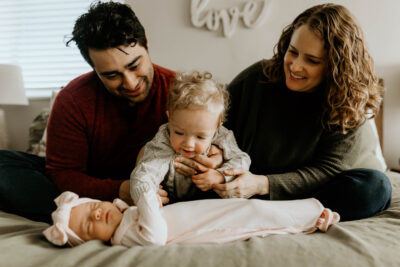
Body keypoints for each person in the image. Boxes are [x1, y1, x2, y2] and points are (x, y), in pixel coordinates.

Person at [0, 1, 218, 223]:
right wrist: (123, 190)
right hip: (97, 188)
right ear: (94, 69)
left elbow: (216, 143)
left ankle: (77, 216)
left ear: (147, 45)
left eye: (134, 66)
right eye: (112, 75)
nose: (130, 83)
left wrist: (215, 158)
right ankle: (89, 213)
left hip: (163, 189)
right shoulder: (73, 100)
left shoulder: (181, 92)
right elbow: (62, 175)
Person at [175, 3, 392, 221]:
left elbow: (328, 171)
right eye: (293, 52)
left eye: (312, 61)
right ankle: (279, 215)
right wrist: (215, 154)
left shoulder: (349, 102)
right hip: (238, 186)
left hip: (307, 194)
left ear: (335, 67)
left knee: (376, 186)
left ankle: (285, 215)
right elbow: (212, 127)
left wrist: (261, 184)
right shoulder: (257, 78)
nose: (295, 66)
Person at [43, 190, 339, 247]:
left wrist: (129, 203)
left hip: (204, 212)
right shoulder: (124, 237)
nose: (97, 212)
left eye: (93, 205)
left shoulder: (121, 218)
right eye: (88, 224)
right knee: (255, 217)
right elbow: (155, 236)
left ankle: (309, 211)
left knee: (250, 206)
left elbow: (123, 208)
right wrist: (145, 195)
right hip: (205, 226)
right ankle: (313, 218)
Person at [130, 71, 251, 204]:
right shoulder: (164, 139)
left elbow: (242, 159)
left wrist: (220, 176)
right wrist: (147, 194)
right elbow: (146, 171)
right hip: (172, 203)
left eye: (200, 136)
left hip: (212, 203)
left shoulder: (222, 137)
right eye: (179, 133)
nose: (188, 144)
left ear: (217, 127)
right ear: (170, 118)